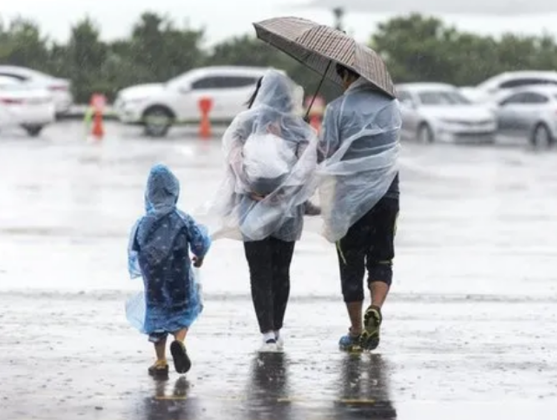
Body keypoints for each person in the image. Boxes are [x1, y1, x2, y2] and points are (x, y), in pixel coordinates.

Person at [209, 69, 318, 352]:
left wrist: (252, 189)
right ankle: (277, 327)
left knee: (258, 271)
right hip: (287, 210)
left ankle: (267, 331)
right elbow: (305, 170)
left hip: (252, 207)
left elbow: (234, 164)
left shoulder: (244, 125)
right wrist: (282, 193)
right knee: (282, 270)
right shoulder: (298, 127)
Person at [318, 64, 402, 352]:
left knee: (350, 262)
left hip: (349, 198)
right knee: (382, 257)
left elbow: (326, 152)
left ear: (347, 76)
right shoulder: (391, 106)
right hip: (387, 194)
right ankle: (375, 307)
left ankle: (355, 331)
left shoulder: (337, 109)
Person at [127, 163, 211, 377]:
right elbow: (199, 242)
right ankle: (180, 343)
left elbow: (134, 248)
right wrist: (199, 256)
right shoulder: (182, 219)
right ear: (175, 191)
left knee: (156, 314)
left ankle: (161, 360)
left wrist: (145, 267)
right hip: (179, 277)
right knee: (184, 310)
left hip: (154, 281)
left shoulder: (143, 223)